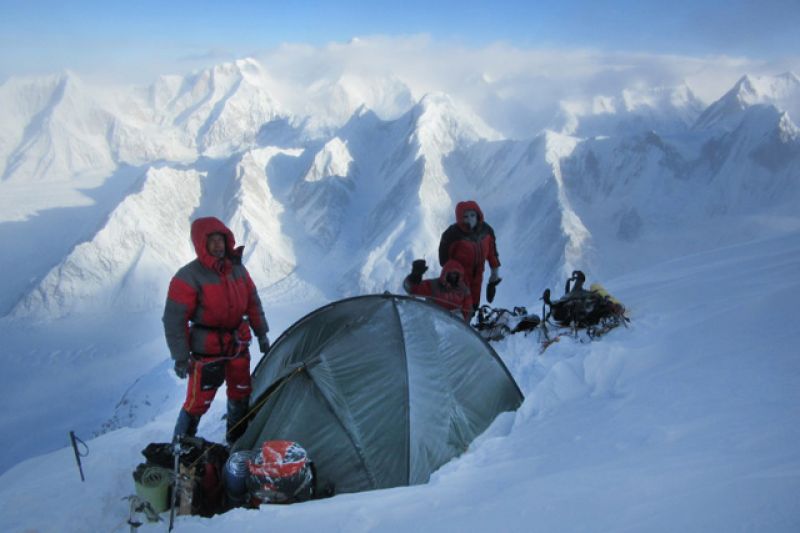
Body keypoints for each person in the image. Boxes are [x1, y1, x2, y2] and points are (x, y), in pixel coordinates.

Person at [163, 217, 270, 444]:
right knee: (198, 401)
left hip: (238, 344)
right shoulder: (188, 277)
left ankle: (236, 440)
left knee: (241, 391)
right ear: (201, 244)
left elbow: (252, 302)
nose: (217, 245)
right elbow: (174, 319)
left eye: (220, 239)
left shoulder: (238, 270)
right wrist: (181, 357)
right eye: (211, 241)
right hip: (207, 350)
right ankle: (180, 446)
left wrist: (261, 333)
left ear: (227, 240)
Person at [438, 200, 501, 312]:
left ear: (478, 215)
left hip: (478, 277)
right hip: (458, 279)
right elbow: (443, 260)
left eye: (472, 215)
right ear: (460, 218)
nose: (470, 219)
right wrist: (450, 277)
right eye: (465, 216)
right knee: (456, 308)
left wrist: (493, 278)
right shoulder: (452, 234)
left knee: (472, 307)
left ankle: (469, 318)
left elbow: (492, 254)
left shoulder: (486, 231)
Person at [403, 259, 472, 321]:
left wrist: (467, 294)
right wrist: (414, 277)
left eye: (456, 275)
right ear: (445, 272)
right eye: (451, 274)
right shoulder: (433, 285)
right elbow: (411, 289)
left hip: (453, 328)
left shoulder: (463, 291)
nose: (453, 277)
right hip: (432, 325)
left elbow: (467, 313)